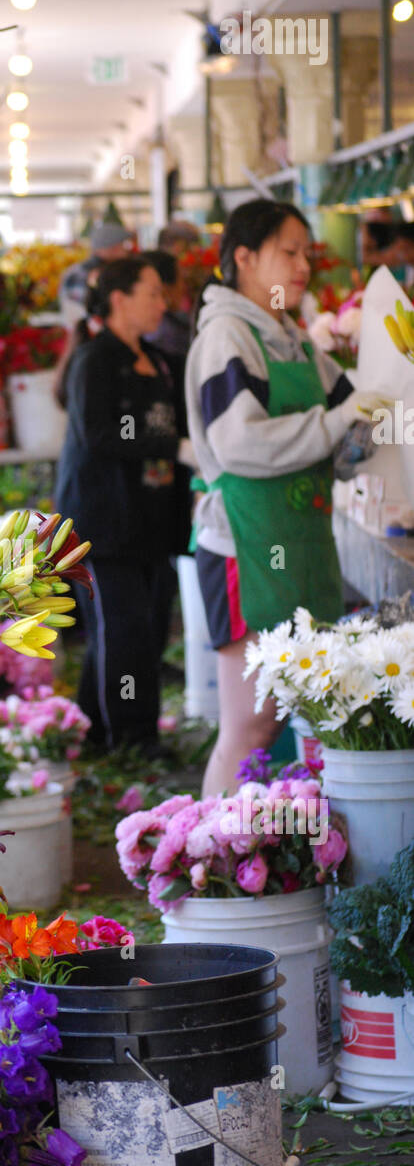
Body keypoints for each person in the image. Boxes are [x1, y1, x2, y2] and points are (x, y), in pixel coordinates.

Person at [186, 199, 392, 796]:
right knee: (250, 724)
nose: (304, 265)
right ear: (244, 258)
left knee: (294, 707)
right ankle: (208, 861)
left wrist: (366, 428)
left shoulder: (293, 338)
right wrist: (339, 422)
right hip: (243, 549)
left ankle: (276, 849)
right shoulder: (227, 334)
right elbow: (239, 441)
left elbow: (348, 410)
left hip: (300, 541)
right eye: (290, 252)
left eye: (307, 253)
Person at [55, 257, 187, 757]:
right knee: (125, 631)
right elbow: (101, 435)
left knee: (143, 629)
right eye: (152, 293)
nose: (163, 304)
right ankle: (133, 740)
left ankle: (92, 728)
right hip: (104, 524)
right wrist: (170, 446)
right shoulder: (96, 360)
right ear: (119, 299)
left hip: (151, 521)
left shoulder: (158, 359)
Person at [58, 220, 137, 326]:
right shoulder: (81, 274)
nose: (126, 251)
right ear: (111, 248)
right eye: (122, 245)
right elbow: (86, 312)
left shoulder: (103, 270)